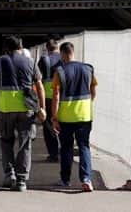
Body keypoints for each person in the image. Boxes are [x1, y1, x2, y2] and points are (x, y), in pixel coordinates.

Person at [0, 35, 46, 192]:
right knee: (25, 144)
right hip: (26, 108)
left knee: (6, 141)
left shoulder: (1, 60)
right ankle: (21, 180)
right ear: (21, 46)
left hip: (6, 108)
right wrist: (42, 108)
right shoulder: (31, 62)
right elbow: (39, 86)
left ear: (7, 48)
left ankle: (9, 174)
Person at [51, 41, 97, 192]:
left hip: (66, 117)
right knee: (84, 146)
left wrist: (54, 117)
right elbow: (93, 92)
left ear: (63, 53)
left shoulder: (60, 71)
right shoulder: (88, 69)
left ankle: (65, 180)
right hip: (84, 115)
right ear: (73, 52)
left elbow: (56, 95)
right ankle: (86, 179)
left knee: (66, 148)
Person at [37, 36, 62, 162]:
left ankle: (53, 154)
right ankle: (64, 151)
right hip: (62, 97)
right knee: (62, 124)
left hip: (47, 97)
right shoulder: (63, 59)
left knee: (48, 127)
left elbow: (37, 79)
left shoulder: (43, 60)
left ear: (46, 48)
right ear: (57, 47)